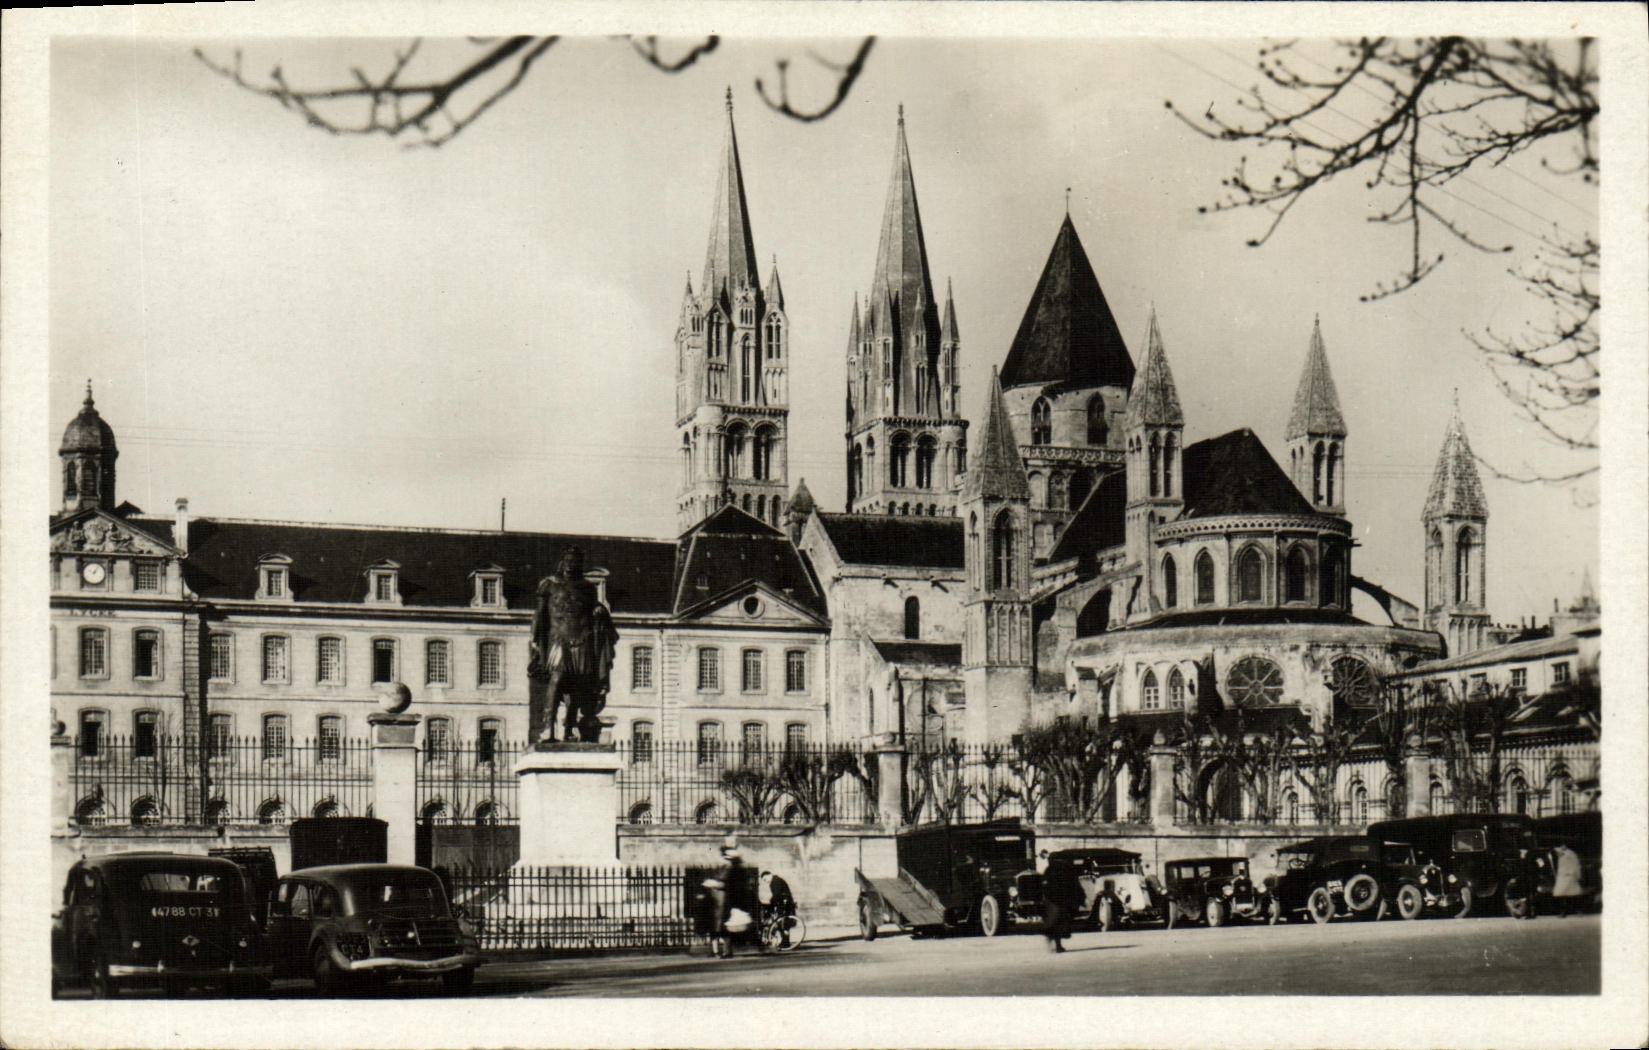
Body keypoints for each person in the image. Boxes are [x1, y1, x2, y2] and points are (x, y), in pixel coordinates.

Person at [527, 546, 619, 743]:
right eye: (568, 560)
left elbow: (594, 608)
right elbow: (540, 616)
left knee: (578, 686)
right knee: (557, 680)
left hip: (582, 640)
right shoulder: (549, 585)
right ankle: (548, 727)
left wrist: (599, 611)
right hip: (558, 640)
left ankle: (569, 728)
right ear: (563, 562)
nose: (571, 564)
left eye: (575, 560)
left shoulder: (587, 587)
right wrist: (536, 642)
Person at [1041, 853, 1082, 953]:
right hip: (1064, 901)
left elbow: (1044, 884)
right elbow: (1076, 885)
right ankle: (1058, 945)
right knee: (1061, 923)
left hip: (1053, 901)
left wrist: (1046, 897)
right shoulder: (1069, 869)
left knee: (1054, 922)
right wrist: (1081, 897)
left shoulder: (1049, 869)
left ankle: (1054, 942)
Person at [758, 869, 796, 948]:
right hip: (784, 904)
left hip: (785, 905)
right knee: (782, 924)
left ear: (769, 875)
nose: (766, 881)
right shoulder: (776, 880)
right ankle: (785, 942)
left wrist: (770, 904)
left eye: (765, 879)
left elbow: (777, 895)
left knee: (782, 924)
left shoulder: (775, 881)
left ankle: (785, 943)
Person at [1551, 842, 1585, 917]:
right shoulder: (1561, 855)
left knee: (1572, 894)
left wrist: (1577, 875)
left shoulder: (1570, 854)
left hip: (1569, 875)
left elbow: (1576, 865)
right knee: (1563, 895)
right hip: (1563, 876)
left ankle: (1576, 911)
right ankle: (1565, 912)